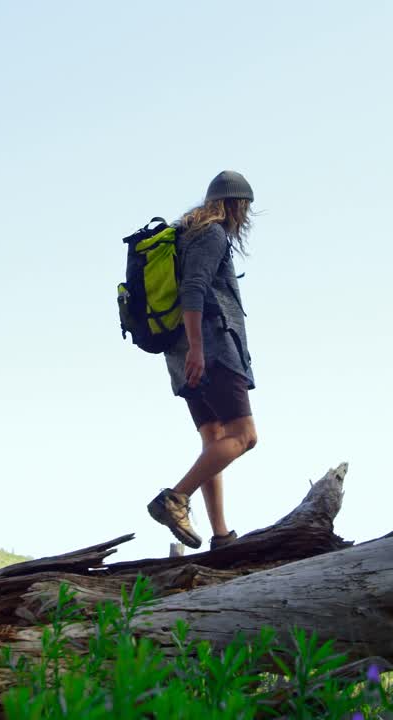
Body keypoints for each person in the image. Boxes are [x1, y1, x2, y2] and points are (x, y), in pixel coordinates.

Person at [146, 170, 257, 551]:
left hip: (181, 353)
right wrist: (198, 347)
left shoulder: (183, 234)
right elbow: (194, 288)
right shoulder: (211, 234)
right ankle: (175, 499)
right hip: (211, 349)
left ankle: (221, 534)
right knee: (244, 436)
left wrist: (189, 350)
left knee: (214, 438)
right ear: (236, 205)